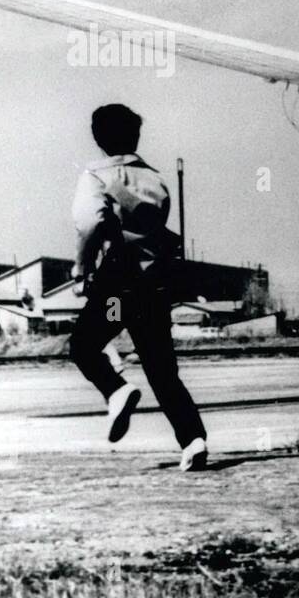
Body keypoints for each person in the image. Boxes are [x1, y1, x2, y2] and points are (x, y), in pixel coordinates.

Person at [68, 104, 209, 470]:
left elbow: (88, 224)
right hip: (153, 285)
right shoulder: (155, 179)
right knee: (162, 369)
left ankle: (116, 390)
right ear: (136, 136)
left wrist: (81, 268)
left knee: (84, 345)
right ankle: (193, 440)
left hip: (116, 286)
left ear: (98, 139)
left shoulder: (95, 176)